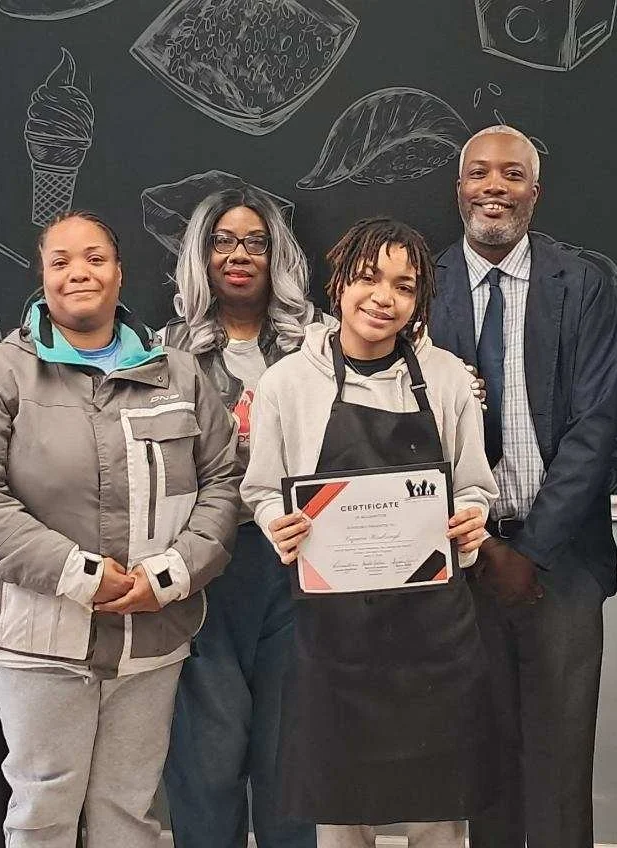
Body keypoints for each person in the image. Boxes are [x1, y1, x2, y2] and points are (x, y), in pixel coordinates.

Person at [0, 211, 241, 848]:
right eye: (62, 261)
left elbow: (223, 482)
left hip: (150, 636)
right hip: (38, 640)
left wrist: (173, 573)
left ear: (120, 272)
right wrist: (79, 574)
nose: (80, 272)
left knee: (130, 811)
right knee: (43, 807)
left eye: (96, 258)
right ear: (43, 277)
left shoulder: (180, 375)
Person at [241, 217, 499, 848]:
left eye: (404, 286)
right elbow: (259, 489)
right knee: (340, 805)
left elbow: (474, 483)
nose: (384, 297)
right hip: (336, 633)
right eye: (368, 278)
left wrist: (470, 516)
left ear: (420, 300)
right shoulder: (285, 385)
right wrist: (278, 524)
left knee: (440, 806)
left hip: (434, 630)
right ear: (340, 284)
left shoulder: (448, 380)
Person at [428, 125, 617, 848]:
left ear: (534, 194)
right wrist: (482, 550)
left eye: (511, 175)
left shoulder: (583, 284)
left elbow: (594, 428)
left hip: (560, 562)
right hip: (453, 559)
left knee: (559, 759)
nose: (493, 188)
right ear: (458, 189)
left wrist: (530, 552)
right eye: (478, 173)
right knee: (478, 756)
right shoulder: (420, 283)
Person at [160, 187, 331, 848]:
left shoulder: (319, 345)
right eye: (222, 241)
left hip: (296, 565)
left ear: (275, 255)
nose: (238, 255)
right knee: (207, 757)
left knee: (291, 754)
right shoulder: (167, 351)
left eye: (254, 242)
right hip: (207, 570)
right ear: (201, 256)